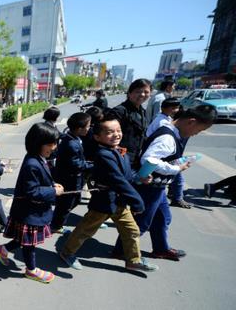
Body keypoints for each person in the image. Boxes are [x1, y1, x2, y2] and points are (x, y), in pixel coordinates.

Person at [112, 104, 217, 261]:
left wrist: (177, 164)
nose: (196, 134)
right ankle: (124, 251)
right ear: (191, 122)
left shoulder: (172, 132)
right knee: (141, 222)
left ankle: (161, 248)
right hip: (149, 186)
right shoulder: (167, 137)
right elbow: (148, 159)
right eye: (199, 130)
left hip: (158, 186)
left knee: (162, 217)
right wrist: (176, 169)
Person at [58, 116, 158, 273]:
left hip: (120, 202)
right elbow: (118, 180)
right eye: (110, 132)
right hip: (104, 202)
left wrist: (139, 177)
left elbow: (126, 174)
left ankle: (133, 260)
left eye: (118, 130)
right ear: (97, 137)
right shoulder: (103, 154)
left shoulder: (119, 150)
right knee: (86, 230)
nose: (116, 134)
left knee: (132, 230)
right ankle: (67, 252)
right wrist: (137, 200)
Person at [0, 123, 62, 283]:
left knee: (23, 238)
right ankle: (31, 270)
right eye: (52, 143)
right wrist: (53, 191)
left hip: (30, 211)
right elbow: (32, 191)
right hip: (29, 211)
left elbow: (39, 183)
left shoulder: (37, 158)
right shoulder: (32, 163)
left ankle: (2, 249)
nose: (55, 146)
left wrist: (52, 186)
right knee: (29, 243)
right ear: (39, 143)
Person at [50, 112, 93, 234]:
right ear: (79, 129)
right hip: (69, 179)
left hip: (70, 178)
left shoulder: (71, 137)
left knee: (73, 201)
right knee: (66, 204)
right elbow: (76, 164)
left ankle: (57, 220)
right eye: (88, 126)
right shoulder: (71, 143)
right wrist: (93, 165)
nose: (89, 128)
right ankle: (56, 225)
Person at [109, 79, 152, 169]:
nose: (142, 94)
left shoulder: (142, 111)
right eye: (138, 91)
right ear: (129, 93)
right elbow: (108, 137)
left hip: (135, 159)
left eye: (146, 92)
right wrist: (119, 157)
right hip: (120, 160)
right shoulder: (120, 111)